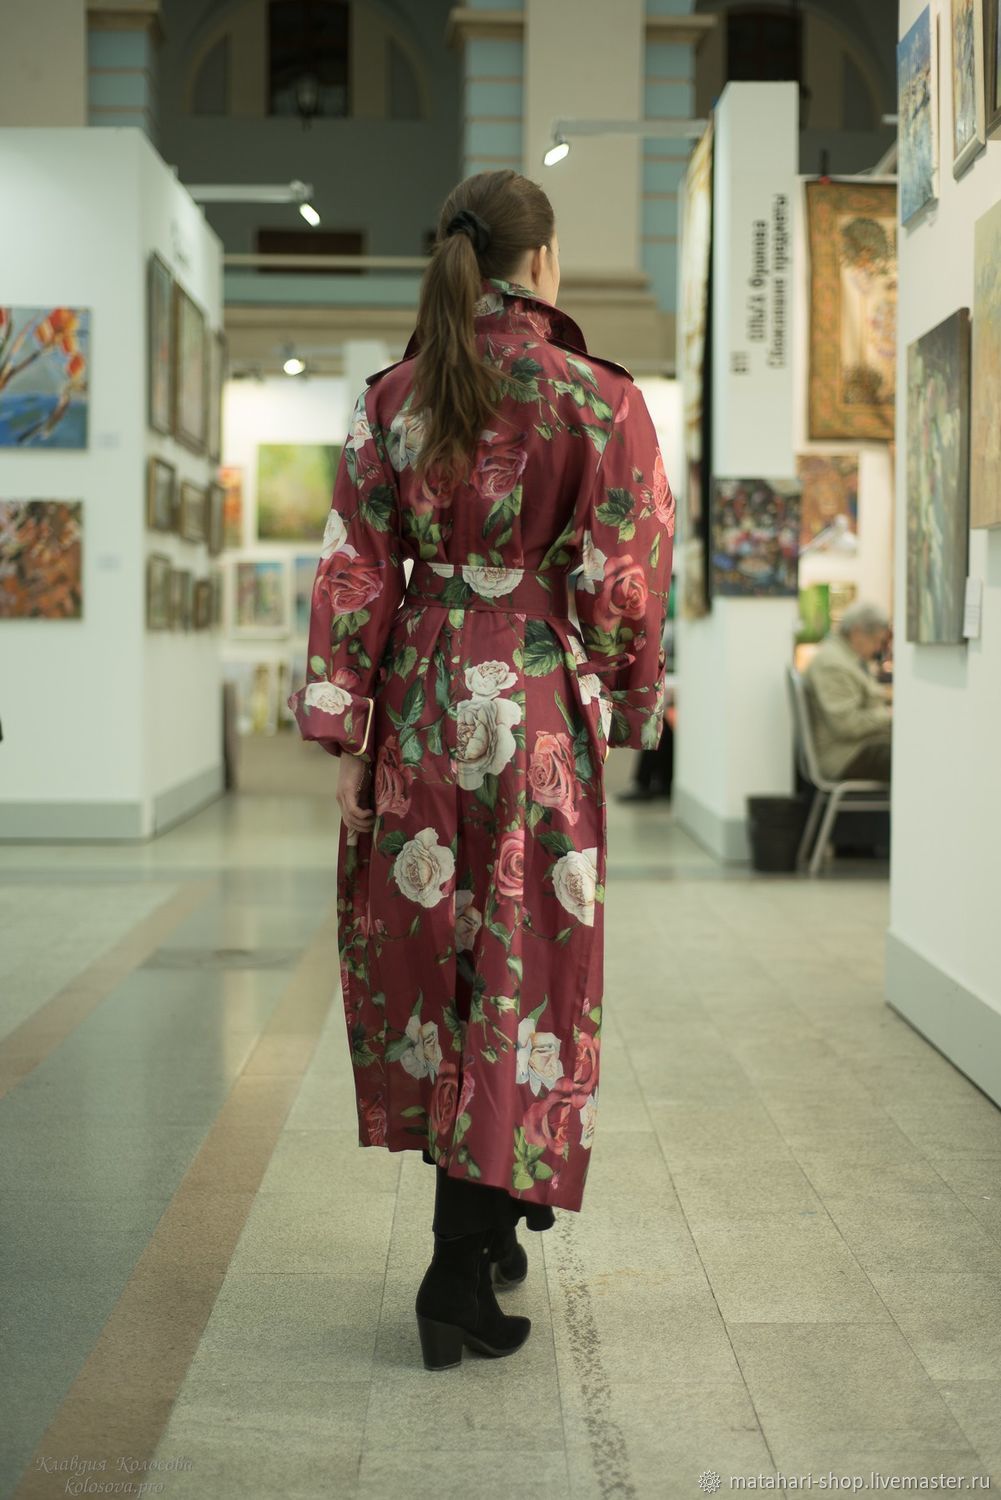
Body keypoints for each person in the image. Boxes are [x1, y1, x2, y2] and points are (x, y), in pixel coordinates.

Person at [289, 169, 675, 1371]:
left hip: (417, 695)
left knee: (431, 968)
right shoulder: (597, 396)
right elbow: (625, 573)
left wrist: (348, 732)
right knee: (518, 967)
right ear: (542, 260)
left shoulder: (393, 395)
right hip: (535, 710)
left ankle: (491, 1221)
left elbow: (353, 564)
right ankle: (458, 1266)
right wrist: (630, 694)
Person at [804, 600, 892, 782]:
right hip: (845, 756)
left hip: (856, 747)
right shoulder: (833, 664)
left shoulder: (846, 657)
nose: (878, 648)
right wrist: (890, 714)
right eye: (876, 641)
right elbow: (847, 725)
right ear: (857, 632)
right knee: (910, 753)